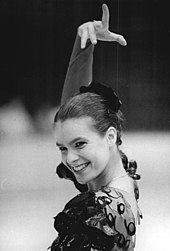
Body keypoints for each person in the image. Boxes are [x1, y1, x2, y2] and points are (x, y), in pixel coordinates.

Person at [49, 4, 142, 251]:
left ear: (110, 135)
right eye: (62, 148)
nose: (70, 159)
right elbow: (77, 117)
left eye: (79, 144)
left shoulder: (93, 210)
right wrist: (83, 45)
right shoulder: (120, 177)